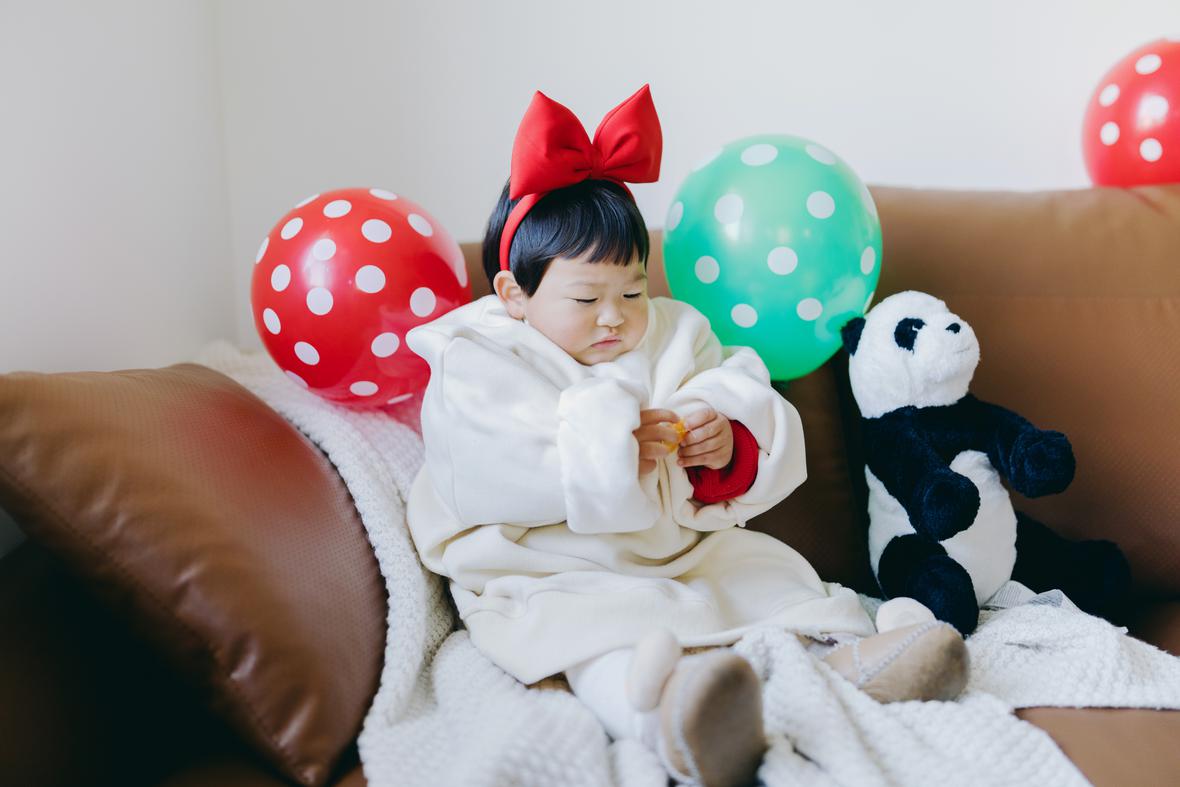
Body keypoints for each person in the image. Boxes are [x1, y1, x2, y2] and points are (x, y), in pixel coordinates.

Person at [405, 85, 967, 787]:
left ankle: (856, 662)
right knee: (586, 639)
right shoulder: (478, 353)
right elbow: (479, 461)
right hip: (553, 571)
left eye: (632, 290)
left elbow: (737, 386)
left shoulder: (674, 331)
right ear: (514, 293)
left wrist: (724, 440)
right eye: (586, 298)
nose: (614, 316)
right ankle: (668, 714)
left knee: (773, 582)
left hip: (681, 556)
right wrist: (603, 446)